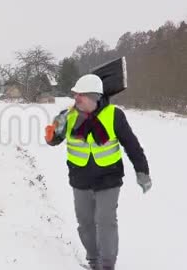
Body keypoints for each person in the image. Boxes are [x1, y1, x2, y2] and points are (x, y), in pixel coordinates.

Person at [45, 74, 152, 270]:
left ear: (94, 97)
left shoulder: (114, 115)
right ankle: (93, 261)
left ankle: (107, 265)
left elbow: (132, 145)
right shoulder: (67, 116)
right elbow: (54, 140)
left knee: (105, 221)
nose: (76, 98)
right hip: (80, 179)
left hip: (109, 178)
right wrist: (52, 135)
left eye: (81, 95)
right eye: (75, 94)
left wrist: (142, 171)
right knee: (85, 223)